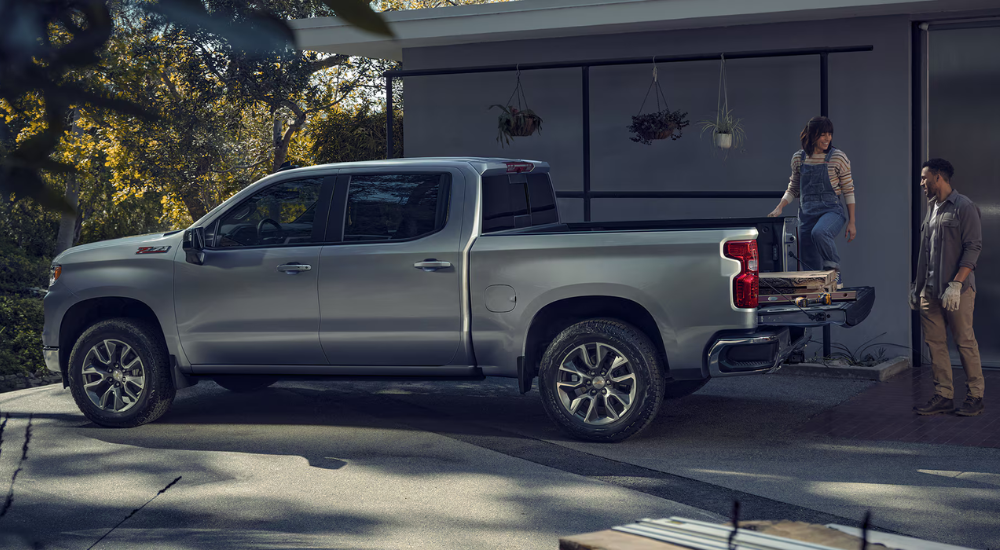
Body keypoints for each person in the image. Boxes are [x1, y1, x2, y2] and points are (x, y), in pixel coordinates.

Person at [911, 158, 984, 417]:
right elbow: (925, 252)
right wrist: (916, 287)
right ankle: (943, 395)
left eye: (924, 178)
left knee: (964, 342)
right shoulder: (931, 208)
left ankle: (975, 396)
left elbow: (973, 247)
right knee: (935, 343)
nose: (921, 183)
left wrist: (956, 283)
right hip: (929, 291)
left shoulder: (964, 207)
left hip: (957, 292)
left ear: (938, 177)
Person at [768, 116, 856, 286]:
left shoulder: (838, 157)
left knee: (820, 232)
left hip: (832, 211)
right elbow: (794, 188)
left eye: (829, 134)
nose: (827, 138)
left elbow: (848, 190)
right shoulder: (798, 159)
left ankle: (835, 272)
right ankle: (818, 290)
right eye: (823, 134)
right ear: (812, 135)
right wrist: (780, 207)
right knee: (809, 261)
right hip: (806, 215)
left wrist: (852, 222)